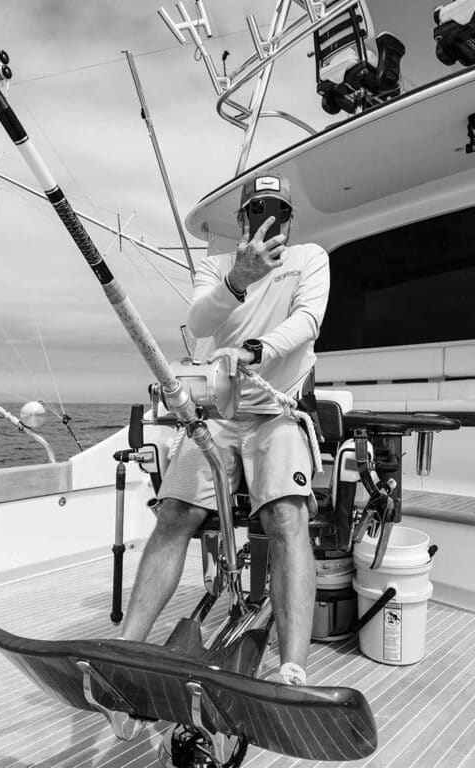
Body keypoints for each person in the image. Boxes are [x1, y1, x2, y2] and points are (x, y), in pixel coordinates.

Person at [121, 172, 330, 686]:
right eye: (257, 208)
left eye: (276, 209)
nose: (267, 218)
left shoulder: (309, 259)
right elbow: (198, 322)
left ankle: (293, 667)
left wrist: (256, 350)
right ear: (242, 220)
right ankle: (124, 647)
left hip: (278, 416)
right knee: (174, 513)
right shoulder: (216, 268)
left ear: (289, 219)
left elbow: (309, 321)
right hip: (220, 417)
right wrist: (240, 277)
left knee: (286, 518)